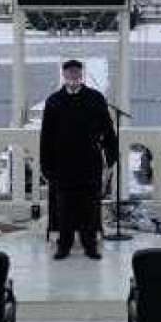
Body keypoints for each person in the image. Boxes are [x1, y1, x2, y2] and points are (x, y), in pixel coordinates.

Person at [37, 59, 117, 260]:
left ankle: (90, 244)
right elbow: (46, 135)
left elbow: (107, 128)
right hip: (63, 163)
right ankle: (64, 244)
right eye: (69, 73)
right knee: (64, 206)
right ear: (64, 75)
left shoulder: (95, 98)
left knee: (90, 205)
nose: (73, 76)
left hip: (89, 161)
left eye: (76, 72)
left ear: (81, 74)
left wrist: (111, 154)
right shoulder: (54, 101)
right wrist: (46, 165)